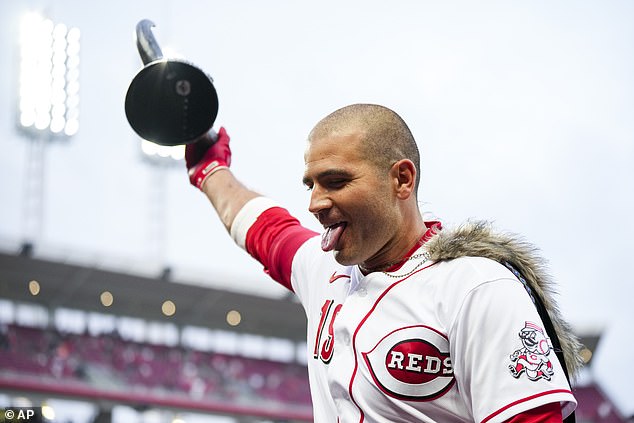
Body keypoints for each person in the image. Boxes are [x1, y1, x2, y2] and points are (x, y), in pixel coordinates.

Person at [184, 104, 581, 422]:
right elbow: (263, 228)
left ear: (402, 180)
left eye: (336, 182)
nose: (315, 203)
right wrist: (210, 170)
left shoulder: (475, 287)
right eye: (311, 185)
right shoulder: (325, 270)